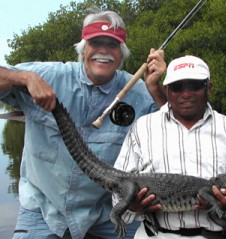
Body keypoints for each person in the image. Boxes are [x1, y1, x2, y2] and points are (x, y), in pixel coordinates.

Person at [0, 7, 167, 239]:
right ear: (83, 49)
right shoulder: (49, 75)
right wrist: (24, 78)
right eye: (96, 43)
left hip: (109, 212)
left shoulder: (140, 90)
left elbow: (174, 135)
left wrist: (156, 89)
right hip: (44, 211)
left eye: (112, 45)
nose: (104, 51)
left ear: (122, 53)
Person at [113, 55, 226, 239]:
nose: (186, 93)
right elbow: (119, 188)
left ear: (209, 87)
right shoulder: (143, 128)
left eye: (195, 85)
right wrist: (132, 206)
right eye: (177, 87)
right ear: (167, 90)